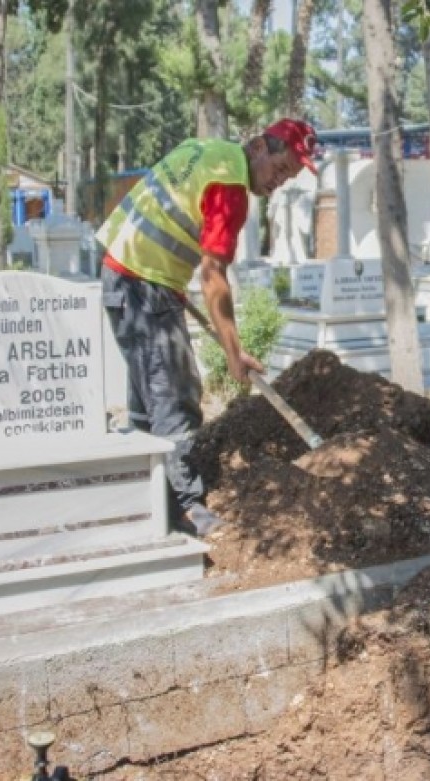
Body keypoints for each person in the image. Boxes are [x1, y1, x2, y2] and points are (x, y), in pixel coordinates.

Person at [96, 119, 318, 537]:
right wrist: (234, 353)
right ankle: (184, 509)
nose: (280, 182)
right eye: (281, 168)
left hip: (123, 274)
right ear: (257, 147)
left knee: (147, 402)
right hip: (145, 286)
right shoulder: (230, 187)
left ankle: (146, 505)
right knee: (175, 399)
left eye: (289, 176)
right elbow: (213, 277)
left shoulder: (207, 150)